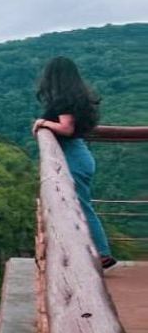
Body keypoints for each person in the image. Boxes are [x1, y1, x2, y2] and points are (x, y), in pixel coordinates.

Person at [32, 56, 116, 270]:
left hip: (73, 157)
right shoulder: (76, 96)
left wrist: (42, 123)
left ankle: (102, 254)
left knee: (81, 206)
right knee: (81, 205)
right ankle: (95, 252)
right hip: (79, 153)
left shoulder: (63, 99)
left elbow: (66, 128)